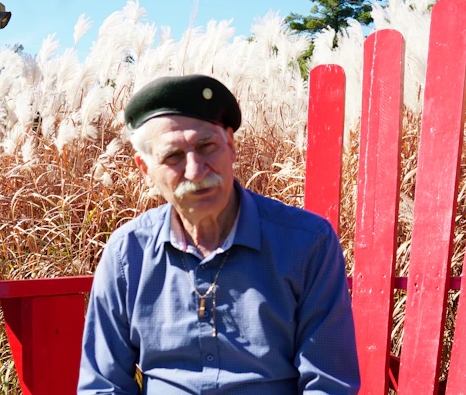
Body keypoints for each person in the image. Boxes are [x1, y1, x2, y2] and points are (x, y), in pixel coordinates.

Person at [78, 74, 361, 394]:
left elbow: (328, 385)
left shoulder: (307, 244)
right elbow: (101, 385)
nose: (195, 171)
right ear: (146, 169)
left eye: (206, 146)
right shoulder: (127, 254)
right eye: (172, 156)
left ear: (232, 145)